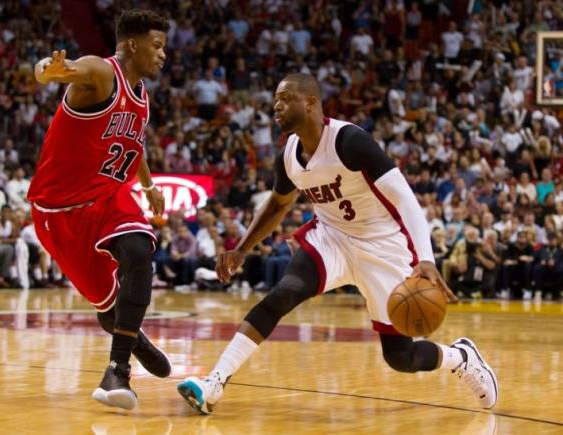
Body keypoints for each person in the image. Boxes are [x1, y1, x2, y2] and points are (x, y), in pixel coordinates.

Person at [177, 74, 497, 414]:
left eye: (284, 99)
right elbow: (278, 204)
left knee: (400, 357)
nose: (276, 107)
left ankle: (460, 357)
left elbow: (405, 199)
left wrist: (427, 259)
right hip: (331, 237)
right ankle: (213, 383)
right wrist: (242, 248)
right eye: (275, 101)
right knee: (282, 294)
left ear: (311, 103)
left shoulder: (349, 141)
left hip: (382, 246)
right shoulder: (288, 156)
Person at [27, 9, 171, 410]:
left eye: (164, 47)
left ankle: (117, 371)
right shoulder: (101, 73)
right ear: (131, 44)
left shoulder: (141, 96)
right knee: (109, 311)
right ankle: (133, 337)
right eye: (156, 46)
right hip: (59, 211)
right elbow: (63, 70)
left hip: (108, 196)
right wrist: (48, 70)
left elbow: (134, 141)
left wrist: (147, 184)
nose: (163, 55)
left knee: (140, 253)